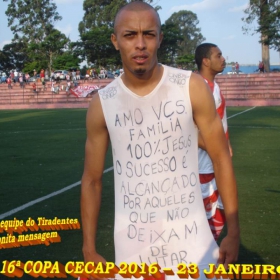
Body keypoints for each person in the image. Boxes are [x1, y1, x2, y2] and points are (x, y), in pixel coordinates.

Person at [81, 2, 239, 279]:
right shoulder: (102, 104)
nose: (140, 44)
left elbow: (221, 156)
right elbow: (92, 180)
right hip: (133, 248)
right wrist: (88, 249)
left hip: (194, 243)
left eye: (149, 34)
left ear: (160, 38)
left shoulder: (190, 86)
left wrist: (234, 232)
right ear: (115, 41)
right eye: (130, 35)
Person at [195, 43, 233, 241]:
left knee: (217, 215)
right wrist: (219, 150)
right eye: (219, 55)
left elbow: (218, 123)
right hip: (204, 167)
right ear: (206, 61)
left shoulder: (213, 86)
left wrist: (226, 144)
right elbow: (192, 131)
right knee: (206, 220)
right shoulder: (199, 89)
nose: (223, 59)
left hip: (216, 162)